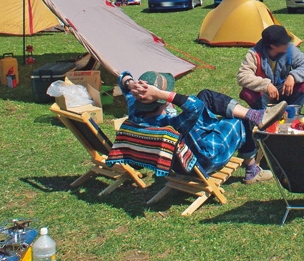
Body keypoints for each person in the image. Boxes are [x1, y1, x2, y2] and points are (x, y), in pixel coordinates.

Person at [119, 71, 287, 183]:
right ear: (159, 99)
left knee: (205, 95)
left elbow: (123, 77)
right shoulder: (171, 125)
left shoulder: (135, 111)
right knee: (239, 120)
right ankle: (252, 170)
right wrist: (160, 93)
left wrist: (130, 83)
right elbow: (195, 107)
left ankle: (254, 114)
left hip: (180, 158)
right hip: (202, 161)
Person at [237, 25, 304, 109]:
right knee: (247, 92)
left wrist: (293, 76)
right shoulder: (254, 54)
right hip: (264, 93)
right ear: (273, 46)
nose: (288, 44)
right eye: (284, 43)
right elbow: (242, 76)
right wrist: (265, 85)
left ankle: (293, 111)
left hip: (284, 89)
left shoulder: (290, 49)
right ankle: (265, 115)